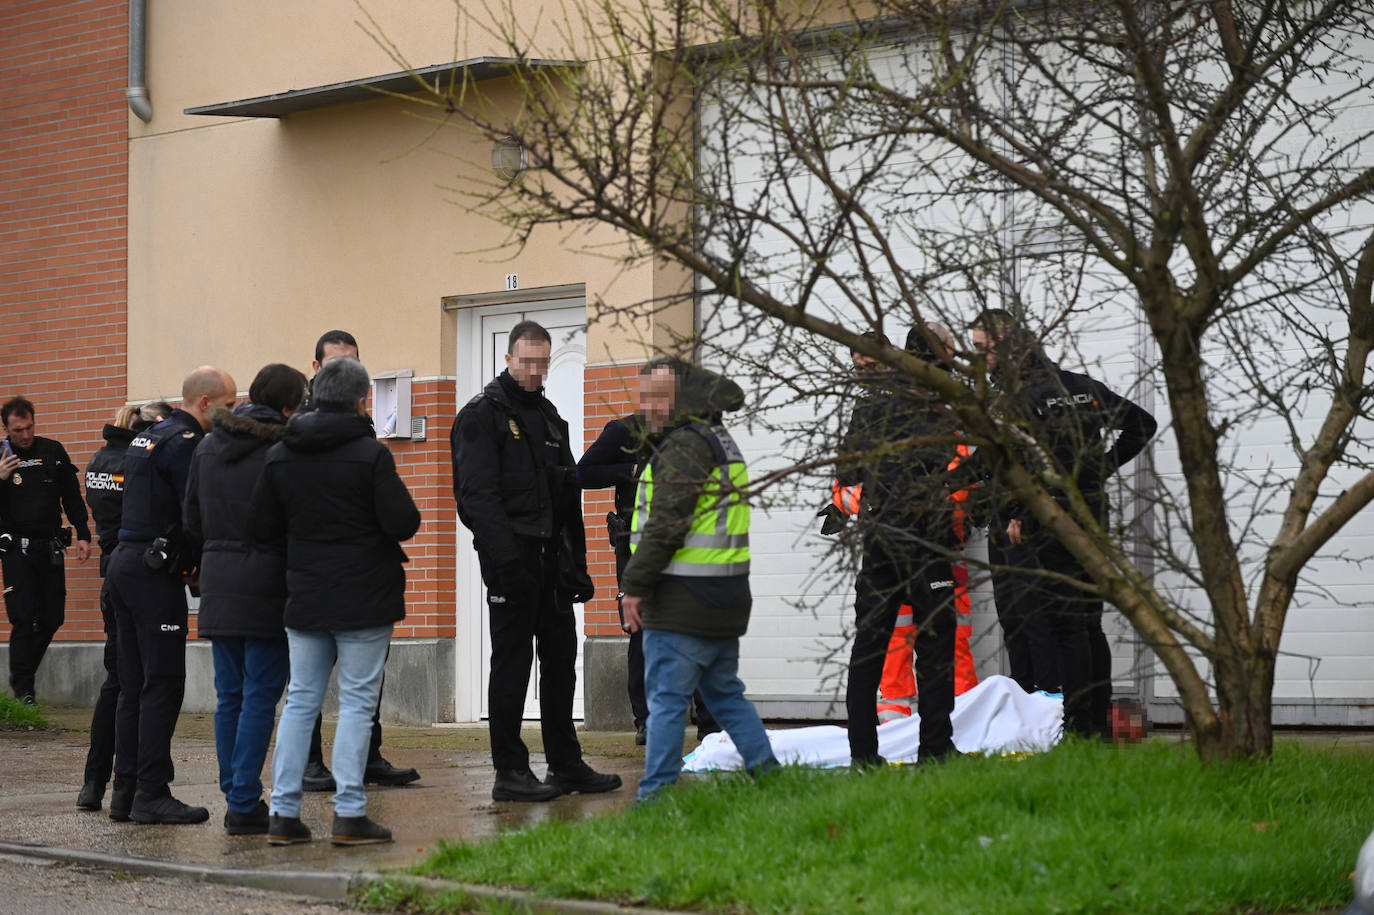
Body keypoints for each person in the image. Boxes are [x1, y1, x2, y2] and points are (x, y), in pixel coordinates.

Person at [451, 319, 621, 802]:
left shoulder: (547, 415)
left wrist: (579, 565)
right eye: (526, 362)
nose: (534, 371)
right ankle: (510, 771)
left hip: (553, 561)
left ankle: (565, 765)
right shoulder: (481, 415)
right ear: (507, 359)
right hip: (512, 561)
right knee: (512, 666)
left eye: (542, 362)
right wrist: (507, 563)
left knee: (561, 663)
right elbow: (476, 499)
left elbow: (567, 493)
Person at [253, 357, 420, 847]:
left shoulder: (282, 453)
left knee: (300, 701)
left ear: (314, 395)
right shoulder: (370, 455)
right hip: (365, 597)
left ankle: (283, 813)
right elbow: (402, 522)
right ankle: (349, 814)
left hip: (305, 594)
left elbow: (260, 527)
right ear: (361, 399)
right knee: (357, 703)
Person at [969, 308, 1157, 738]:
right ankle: (1092, 727)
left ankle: (1056, 728)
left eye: (984, 350)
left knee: (1044, 625)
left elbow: (1024, 462)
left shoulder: (1019, 397)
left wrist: (1017, 510)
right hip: (1088, 515)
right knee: (1085, 623)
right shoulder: (1079, 387)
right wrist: (1099, 471)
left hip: (1041, 522)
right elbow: (1141, 424)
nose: (981, 360)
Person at [620, 357, 779, 802]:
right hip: (723, 597)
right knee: (726, 696)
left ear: (683, 398)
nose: (649, 406)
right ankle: (771, 778)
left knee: (666, 702)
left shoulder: (685, 447)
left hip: (681, 601)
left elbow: (667, 524)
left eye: (659, 396)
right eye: (645, 395)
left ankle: (653, 801)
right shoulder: (720, 441)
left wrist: (634, 586)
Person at [107, 366, 237, 825]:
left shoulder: (149, 435)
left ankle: (125, 792)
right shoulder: (187, 444)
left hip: (125, 564)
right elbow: (194, 511)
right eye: (228, 405)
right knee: (162, 684)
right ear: (205, 403)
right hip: (151, 574)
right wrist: (200, 566)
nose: (232, 412)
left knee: (133, 685)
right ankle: (152, 793)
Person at [184, 364, 307, 835]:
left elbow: (191, 519)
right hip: (267, 583)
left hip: (218, 581)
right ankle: (242, 800)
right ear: (287, 406)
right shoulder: (283, 448)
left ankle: (234, 785)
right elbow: (293, 519)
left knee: (229, 695)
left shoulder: (208, 445)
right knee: (259, 696)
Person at [837, 325, 965, 768]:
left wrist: (867, 504)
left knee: (868, 648)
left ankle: (863, 756)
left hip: (880, 542)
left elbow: (846, 474)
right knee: (934, 649)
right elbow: (961, 463)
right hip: (926, 541)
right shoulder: (938, 405)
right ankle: (935, 749)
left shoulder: (867, 410)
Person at [297, 330, 418, 792]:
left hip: (361, 574)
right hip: (318, 578)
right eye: (336, 366)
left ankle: (368, 757)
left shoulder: (363, 426)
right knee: (308, 688)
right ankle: (311, 767)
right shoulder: (298, 430)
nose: (347, 375)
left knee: (366, 680)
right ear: (316, 370)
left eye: (354, 365)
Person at [577, 362, 720, 746]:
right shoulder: (625, 430)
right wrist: (631, 470)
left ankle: (709, 722)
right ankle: (648, 719)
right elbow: (583, 473)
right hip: (636, 546)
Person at [76, 399, 172, 811]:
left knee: (116, 681)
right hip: (136, 570)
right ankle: (133, 782)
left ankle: (94, 783)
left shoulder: (100, 459)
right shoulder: (138, 463)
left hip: (110, 574)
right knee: (142, 683)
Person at [0, 397, 93, 704]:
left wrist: (82, 533)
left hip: (50, 546)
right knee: (23, 618)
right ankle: (23, 690)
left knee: (52, 618)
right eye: (17, 431)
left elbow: (71, 496)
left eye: (29, 428)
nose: (25, 436)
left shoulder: (52, 450)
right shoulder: (0, 457)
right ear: (6, 429)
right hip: (16, 549)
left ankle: (23, 675)